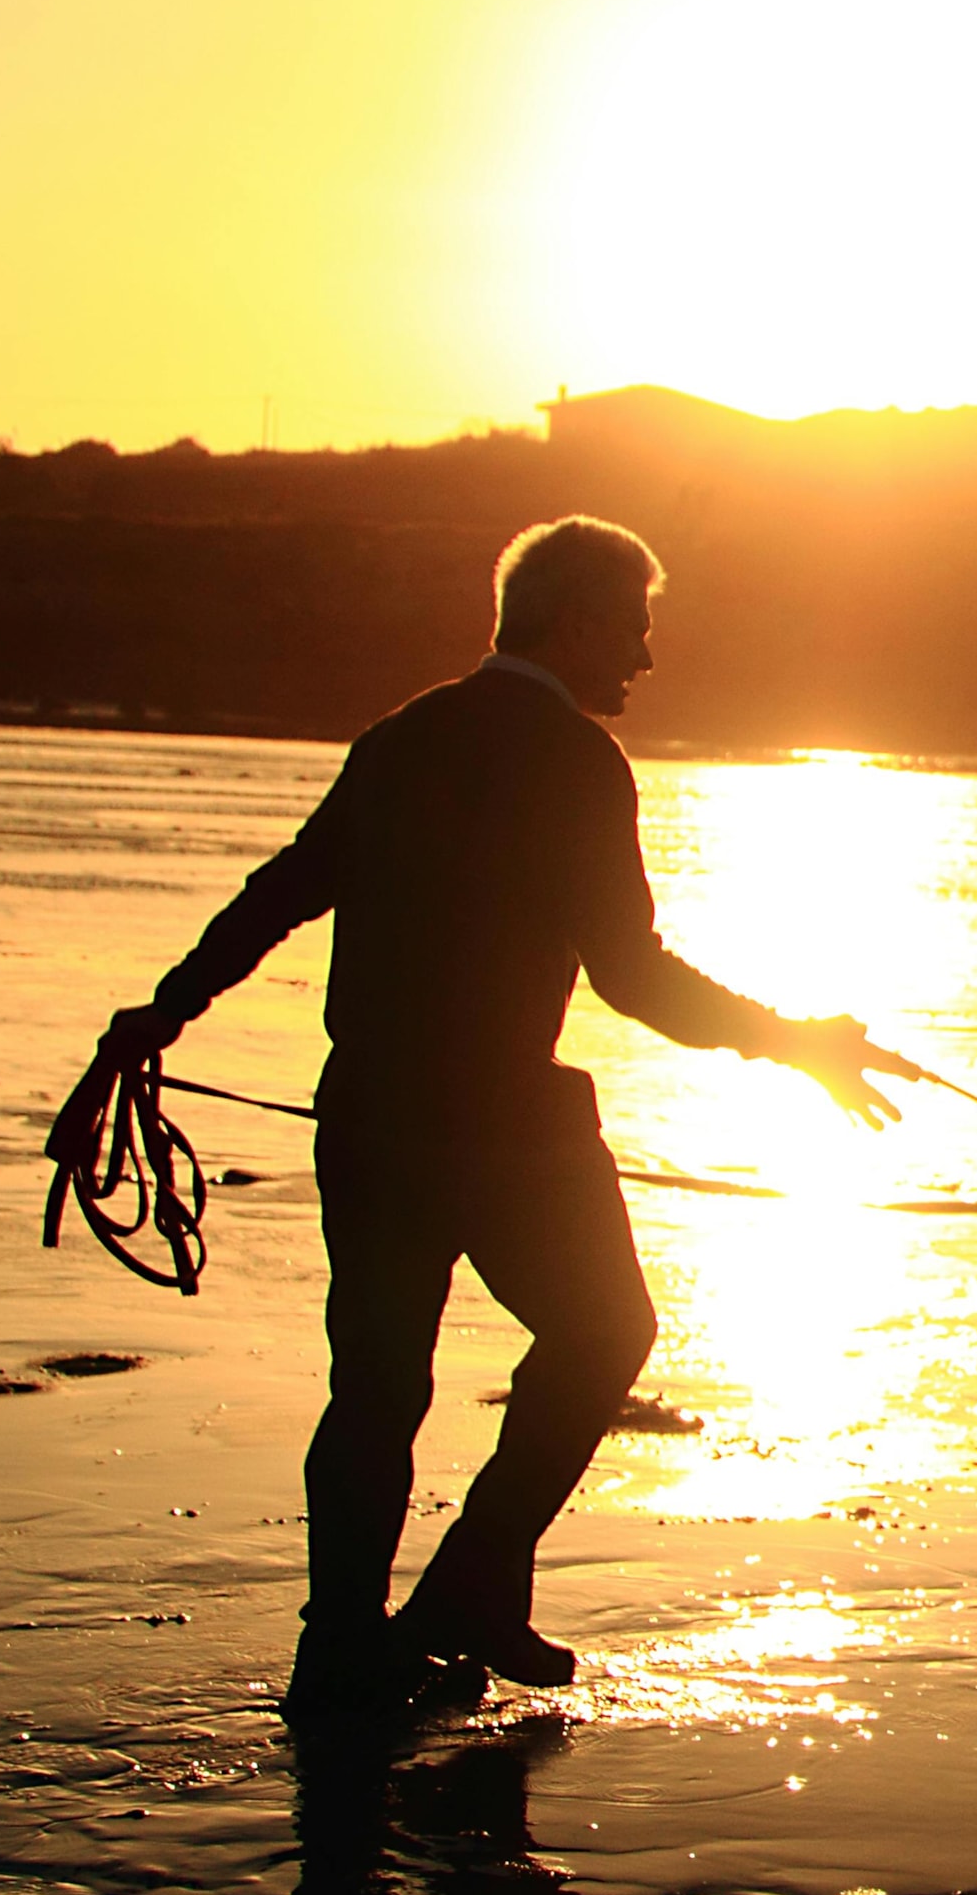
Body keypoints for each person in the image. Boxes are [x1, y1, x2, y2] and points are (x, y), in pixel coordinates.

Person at [99, 516, 920, 1716]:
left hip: (369, 1119)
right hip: (505, 1128)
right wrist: (802, 1046)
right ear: (578, 620)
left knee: (376, 1385)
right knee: (604, 1338)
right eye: (634, 630)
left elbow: (280, 894)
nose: (642, 659)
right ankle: (474, 1586)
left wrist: (156, 1018)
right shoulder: (577, 763)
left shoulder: (401, 738)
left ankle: (341, 1648)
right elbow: (632, 977)